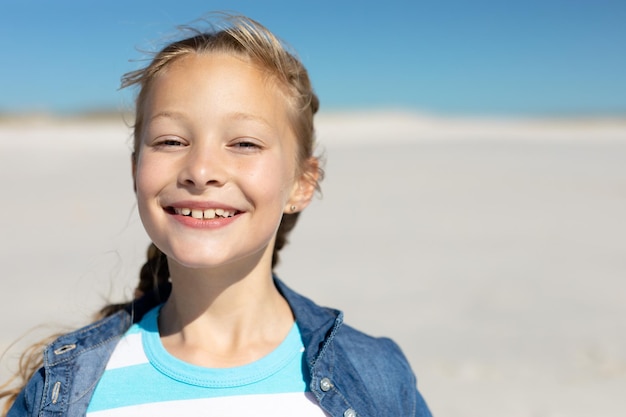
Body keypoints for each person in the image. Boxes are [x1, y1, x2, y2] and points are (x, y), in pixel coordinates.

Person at [1, 14, 432, 417]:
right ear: (135, 170)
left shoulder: (372, 377)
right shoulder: (66, 386)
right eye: (171, 141)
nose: (201, 171)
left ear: (301, 183)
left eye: (244, 143)